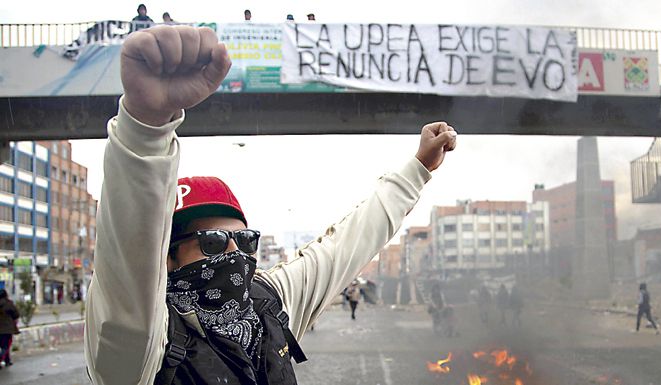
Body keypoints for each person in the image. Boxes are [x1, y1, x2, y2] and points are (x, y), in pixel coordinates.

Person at [83, 25, 457, 385]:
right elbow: (130, 256)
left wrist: (417, 169)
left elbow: (344, 246)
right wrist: (146, 125)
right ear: (168, 258)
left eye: (244, 241)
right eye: (212, 243)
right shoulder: (147, 347)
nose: (235, 254)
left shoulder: (266, 305)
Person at [0, 289, 20, 369]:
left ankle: (7, 360)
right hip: (6, 329)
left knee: (3, 346)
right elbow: (16, 314)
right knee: (5, 346)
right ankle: (2, 359)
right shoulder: (9, 304)